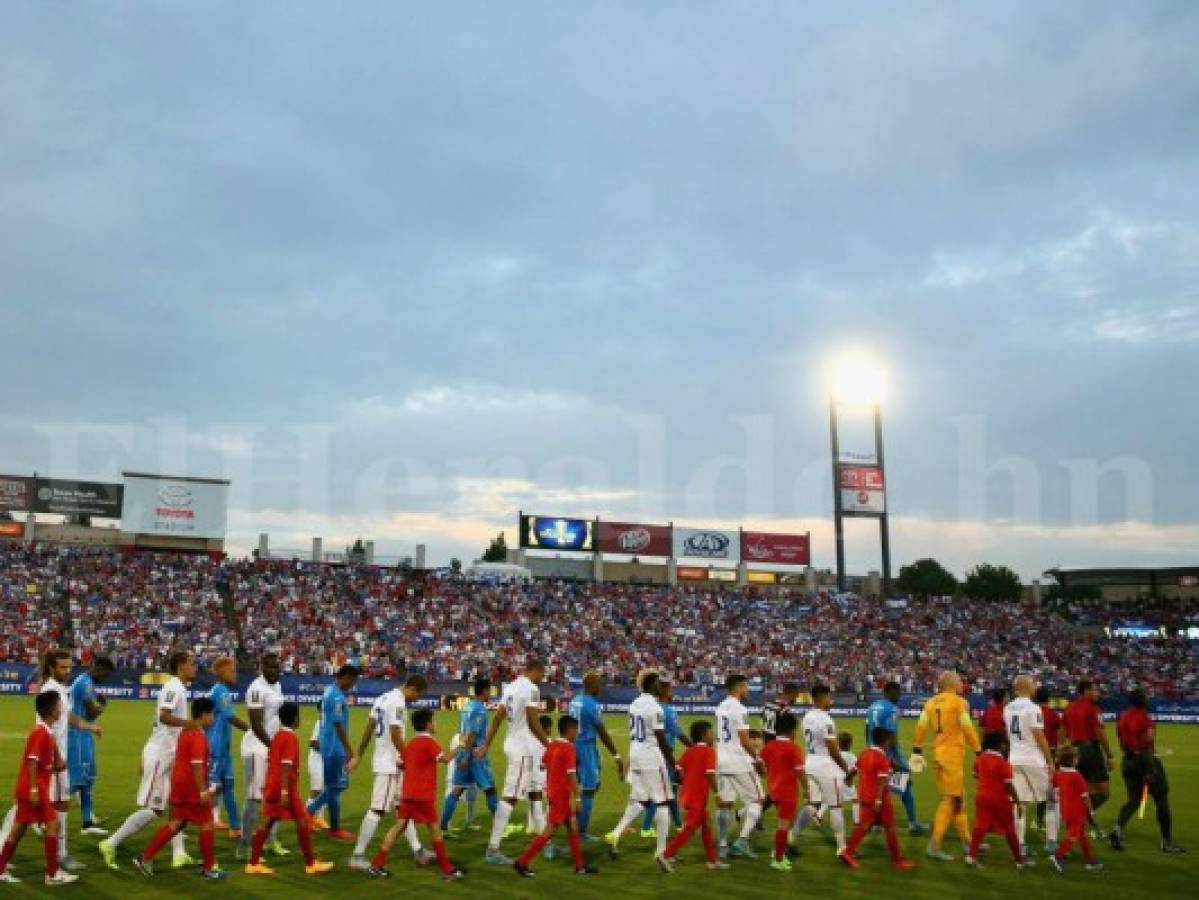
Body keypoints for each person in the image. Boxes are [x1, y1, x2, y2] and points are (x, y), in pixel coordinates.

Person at [0, 649, 101, 873]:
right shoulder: (49, 691)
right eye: (63, 667)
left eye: (69, 667)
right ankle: (50, 857)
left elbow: (67, 717)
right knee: (27, 810)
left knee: (60, 803)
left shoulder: (60, 690)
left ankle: (61, 854)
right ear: (52, 667)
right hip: (50, 762)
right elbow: (45, 729)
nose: (67, 671)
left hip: (59, 759)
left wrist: (89, 726)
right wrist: (54, 758)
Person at [99, 650, 196, 871]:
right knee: (155, 810)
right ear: (181, 665)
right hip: (162, 755)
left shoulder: (179, 688)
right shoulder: (173, 687)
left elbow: (158, 722)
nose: (195, 667)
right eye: (192, 663)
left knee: (177, 805)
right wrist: (188, 724)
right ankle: (110, 843)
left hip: (167, 753)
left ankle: (179, 854)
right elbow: (163, 715)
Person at [131, 697, 226, 880]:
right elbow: (197, 765)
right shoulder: (198, 736)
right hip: (192, 787)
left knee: (177, 824)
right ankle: (209, 868)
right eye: (212, 714)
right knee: (207, 823)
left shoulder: (186, 731)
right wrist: (203, 790)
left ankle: (145, 857)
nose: (213, 718)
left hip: (180, 784)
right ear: (205, 715)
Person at [367, 708, 464, 880]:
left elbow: (400, 764)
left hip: (408, 794)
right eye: (433, 721)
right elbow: (446, 759)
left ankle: (377, 864)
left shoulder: (411, 743)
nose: (435, 724)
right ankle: (448, 869)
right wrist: (460, 746)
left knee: (398, 827)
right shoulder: (430, 743)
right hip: (423, 795)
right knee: (435, 829)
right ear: (428, 724)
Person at [350, 674, 431, 871]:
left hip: (391, 763)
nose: (417, 699)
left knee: (404, 808)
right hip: (389, 765)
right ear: (412, 688)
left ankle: (418, 850)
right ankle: (357, 855)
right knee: (377, 809)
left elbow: (369, 728)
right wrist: (410, 759)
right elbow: (396, 735)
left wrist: (358, 755)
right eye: (418, 695)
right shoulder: (397, 702)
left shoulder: (382, 698)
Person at [243, 702, 335, 876]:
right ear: (295, 719)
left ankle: (253, 863)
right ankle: (311, 862)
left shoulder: (278, 736)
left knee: (267, 822)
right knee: (303, 821)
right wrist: (285, 791)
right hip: (285, 788)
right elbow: (286, 765)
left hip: (273, 785)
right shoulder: (291, 737)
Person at [0, 691, 79, 886]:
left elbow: (51, 763)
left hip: (31, 787)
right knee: (53, 825)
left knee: (18, 828)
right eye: (59, 705)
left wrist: (60, 764)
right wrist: (34, 789)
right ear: (52, 709)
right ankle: (52, 875)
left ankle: (0, 868)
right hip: (34, 788)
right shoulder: (40, 732)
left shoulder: (47, 732)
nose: (61, 708)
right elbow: (32, 761)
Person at [481, 659, 550, 865]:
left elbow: (497, 717)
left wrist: (487, 743)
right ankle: (492, 849)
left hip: (512, 742)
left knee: (534, 792)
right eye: (542, 673)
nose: (542, 678)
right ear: (535, 671)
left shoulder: (510, 687)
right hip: (522, 747)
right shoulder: (531, 689)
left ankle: (545, 843)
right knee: (510, 797)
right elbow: (533, 720)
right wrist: (549, 744)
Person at [604, 671, 677, 861]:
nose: (661, 686)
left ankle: (616, 834)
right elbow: (661, 740)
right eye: (658, 683)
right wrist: (674, 764)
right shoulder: (656, 708)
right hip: (651, 757)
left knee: (642, 800)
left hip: (635, 754)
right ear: (652, 685)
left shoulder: (634, 704)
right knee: (662, 802)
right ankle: (661, 852)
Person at [513, 714, 597, 876]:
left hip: (554, 792)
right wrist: (578, 798)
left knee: (573, 825)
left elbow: (543, 764)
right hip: (560, 796)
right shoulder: (568, 748)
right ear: (569, 730)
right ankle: (522, 862)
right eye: (576, 729)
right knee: (549, 831)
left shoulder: (552, 745)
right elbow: (572, 774)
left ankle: (580, 866)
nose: (577, 733)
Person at [912, 670, 981, 861]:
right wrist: (978, 750)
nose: (962, 683)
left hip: (938, 754)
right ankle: (934, 845)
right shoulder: (958, 703)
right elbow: (967, 726)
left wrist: (917, 750)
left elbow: (921, 727)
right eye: (959, 681)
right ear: (951, 683)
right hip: (952, 756)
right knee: (950, 800)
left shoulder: (930, 702)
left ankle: (968, 842)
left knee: (958, 799)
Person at [1109, 688, 1184, 854]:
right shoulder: (1146, 720)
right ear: (1143, 701)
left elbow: (1120, 738)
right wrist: (1151, 769)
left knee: (1133, 801)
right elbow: (1147, 746)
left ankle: (1117, 829)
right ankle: (1166, 842)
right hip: (1144, 761)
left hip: (1127, 761)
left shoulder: (1122, 717)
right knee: (1161, 800)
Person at [838, 728, 916, 870]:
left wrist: (847, 778)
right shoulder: (882, 758)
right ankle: (897, 860)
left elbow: (854, 770)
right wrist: (879, 800)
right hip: (879, 800)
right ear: (885, 741)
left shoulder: (865, 754)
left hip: (865, 796)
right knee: (890, 827)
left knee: (864, 826)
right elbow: (882, 780)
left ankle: (848, 852)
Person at [238, 653, 291, 859]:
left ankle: (270, 840)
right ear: (262, 668)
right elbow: (256, 724)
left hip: (271, 748)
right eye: (270, 668)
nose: (274, 671)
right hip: (255, 748)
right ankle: (244, 846)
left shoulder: (276, 686)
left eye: (277, 668)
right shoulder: (256, 689)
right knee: (253, 798)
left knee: (273, 796)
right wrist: (273, 747)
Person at [792, 683, 854, 855]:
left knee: (813, 804)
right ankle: (842, 847)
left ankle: (792, 835)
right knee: (835, 806)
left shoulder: (807, 716)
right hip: (825, 766)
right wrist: (845, 768)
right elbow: (834, 750)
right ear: (823, 697)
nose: (831, 700)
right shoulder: (826, 720)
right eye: (829, 696)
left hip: (810, 763)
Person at [712, 674, 765, 859]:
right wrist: (758, 759)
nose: (748, 690)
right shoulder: (740, 709)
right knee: (758, 801)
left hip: (721, 760)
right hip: (739, 762)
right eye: (746, 687)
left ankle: (723, 844)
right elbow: (744, 740)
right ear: (740, 687)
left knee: (725, 804)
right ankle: (742, 841)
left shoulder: (720, 707)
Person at [1004, 675, 1058, 857]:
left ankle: (1020, 844)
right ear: (1026, 687)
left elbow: (1009, 735)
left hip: (1014, 759)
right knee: (1052, 799)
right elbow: (1039, 735)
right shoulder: (1033, 708)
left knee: (1020, 803)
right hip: (1033, 759)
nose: (1036, 686)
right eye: (1034, 683)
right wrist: (1050, 760)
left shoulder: (1007, 708)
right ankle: (1051, 842)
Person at [566, 671, 624, 840]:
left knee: (587, 786)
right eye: (599, 684)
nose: (601, 687)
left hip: (574, 745)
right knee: (589, 790)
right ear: (591, 685)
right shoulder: (592, 705)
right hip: (585, 748)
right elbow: (603, 733)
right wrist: (617, 755)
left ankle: (574, 820)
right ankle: (581, 832)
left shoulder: (575, 700)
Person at [306, 664, 360, 840]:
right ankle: (330, 826)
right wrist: (350, 751)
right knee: (335, 788)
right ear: (343, 677)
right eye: (352, 680)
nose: (352, 684)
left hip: (329, 746)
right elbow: (338, 724)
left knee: (336, 787)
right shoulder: (336, 696)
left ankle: (310, 813)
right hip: (335, 748)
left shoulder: (329, 691)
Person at [865, 681, 928, 834]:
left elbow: (867, 731)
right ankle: (913, 824)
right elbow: (892, 739)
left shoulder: (872, 707)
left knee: (880, 788)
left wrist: (871, 749)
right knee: (906, 786)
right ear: (889, 692)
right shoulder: (892, 709)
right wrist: (896, 762)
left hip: (873, 753)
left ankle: (876, 824)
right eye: (897, 692)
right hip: (888, 755)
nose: (899, 695)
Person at [443, 678, 499, 836]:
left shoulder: (467, 705)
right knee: (490, 789)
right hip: (475, 754)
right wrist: (467, 757)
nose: (491, 694)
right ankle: (499, 828)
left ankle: (442, 827)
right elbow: (472, 735)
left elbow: (464, 732)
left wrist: (462, 754)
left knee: (457, 790)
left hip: (464, 751)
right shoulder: (479, 709)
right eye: (490, 690)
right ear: (484, 691)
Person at [964, 731, 1025, 869]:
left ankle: (971, 856)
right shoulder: (1003, 763)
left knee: (980, 827)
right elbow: (1009, 785)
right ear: (1000, 745)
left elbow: (975, 774)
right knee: (1009, 829)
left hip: (982, 797)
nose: (1006, 746)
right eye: (1005, 743)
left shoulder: (980, 758)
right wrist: (1018, 802)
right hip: (1000, 799)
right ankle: (1019, 861)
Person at [68, 656, 113, 836]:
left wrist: (98, 707)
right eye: (106, 674)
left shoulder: (87, 682)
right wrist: (103, 704)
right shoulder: (84, 683)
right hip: (77, 736)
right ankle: (40, 811)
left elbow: (91, 716)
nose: (106, 678)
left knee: (87, 779)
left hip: (84, 734)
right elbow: (92, 712)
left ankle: (87, 823)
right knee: (75, 782)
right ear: (98, 668)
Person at [205, 656, 248, 837]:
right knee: (210, 790)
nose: (235, 674)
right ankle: (197, 822)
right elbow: (230, 717)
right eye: (232, 671)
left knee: (227, 786)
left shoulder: (221, 691)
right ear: (222, 672)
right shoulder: (220, 692)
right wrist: (252, 730)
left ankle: (235, 827)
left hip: (223, 748)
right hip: (215, 748)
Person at [641, 680, 688, 837]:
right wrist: (694, 746)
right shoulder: (667, 710)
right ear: (664, 693)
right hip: (664, 755)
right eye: (671, 690)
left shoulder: (653, 708)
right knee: (662, 791)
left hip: (651, 753)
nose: (673, 693)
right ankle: (646, 827)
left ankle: (679, 825)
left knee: (670, 790)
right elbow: (678, 732)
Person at [1063, 681, 1115, 818]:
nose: (1097, 693)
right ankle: (1082, 815)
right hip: (1090, 750)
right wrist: (1109, 755)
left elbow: (1063, 731)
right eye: (1095, 690)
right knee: (1104, 793)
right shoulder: (1093, 708)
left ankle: (1080, 817)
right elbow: (1100, 732)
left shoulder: (1069, 708)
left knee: (1086, 790)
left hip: (1075, 751)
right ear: (1086, 691)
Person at [760, 712, 804, 871]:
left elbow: (759, 763)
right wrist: (807, 789)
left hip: (773, 790)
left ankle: (777, 852)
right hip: (788, 792)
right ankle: (777, 859)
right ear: (792, 730)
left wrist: (766, 775)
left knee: (786, 823)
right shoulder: (793, 748)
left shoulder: (769, 746)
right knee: (784, 825)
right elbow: (800, 771)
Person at [1049, 745, 1102, 872]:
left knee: (1082, 835)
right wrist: (1091, 811)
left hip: (1065, 810)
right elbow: (1085, 797)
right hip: (1077, 811)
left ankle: (1089, 861)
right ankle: (1058, 855)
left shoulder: (1058, 774)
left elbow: (1053, 790)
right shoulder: (1077, 776)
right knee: (1073, 835)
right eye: (1076, 757)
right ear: (1072, 760)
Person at [1034, 685, 1062, 833]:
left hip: (1031, 753)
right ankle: (1041, 820)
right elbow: (1059, 735)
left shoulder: (1032, 712)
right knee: (1049, 788)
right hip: (1048, 753)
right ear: (1049, 699)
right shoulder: (1052, 715)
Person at [833, 732, 859, 827]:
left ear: (838, 743)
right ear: (850, 744)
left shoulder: (835, 755)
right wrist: (849, 776)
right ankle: (857, 821)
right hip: (848, 783)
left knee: (831, 801)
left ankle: (818, 815)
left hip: (836, 782)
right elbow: (856, 769)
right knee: (855, 800)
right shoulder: (852, 756)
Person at [306, 716, 328, 830]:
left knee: (326, 788)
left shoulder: (334, 722)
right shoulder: (320, 722)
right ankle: (307, 818)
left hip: (327, 759)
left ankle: (319, 818)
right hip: (316, 760)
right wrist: (328, 748)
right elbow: (313, 743)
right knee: (316, 789)